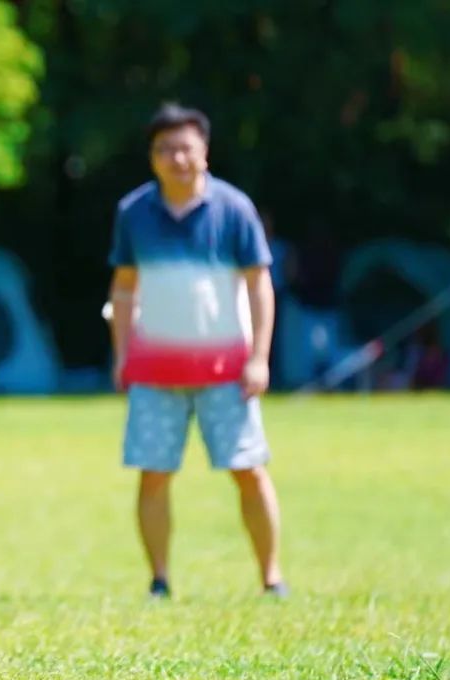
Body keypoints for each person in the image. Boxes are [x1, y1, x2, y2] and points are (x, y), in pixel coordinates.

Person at [107, 103, 288, 599]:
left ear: (204, 152)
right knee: (153, 475)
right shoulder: (134, 212)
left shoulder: (234, 209)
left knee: (249, 471)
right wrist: (122, 353)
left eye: (185, 148)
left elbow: (259, 285)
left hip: (228, 370)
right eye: (164, 149)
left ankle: (271, 577)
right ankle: (159, 579)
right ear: (152, 157)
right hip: (153, 370)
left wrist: (259, 357)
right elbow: (123, 288)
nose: (176, 158)